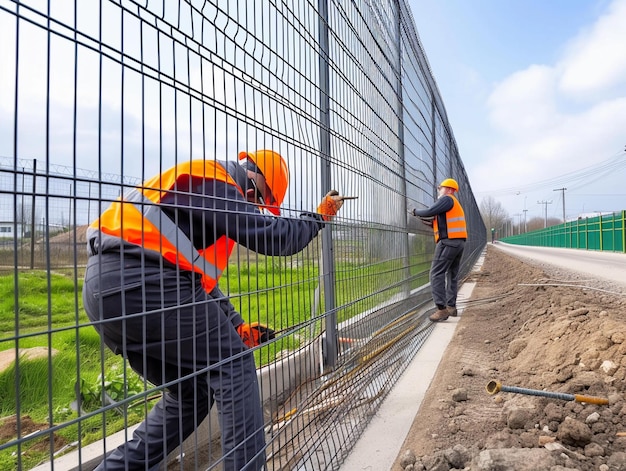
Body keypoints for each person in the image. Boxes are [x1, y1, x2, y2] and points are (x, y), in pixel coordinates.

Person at [82, 149, 347, 471]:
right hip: (142, 283)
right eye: (258, 200)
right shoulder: (213, 180)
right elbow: (274, 238)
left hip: (109, 292)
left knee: (190, 395)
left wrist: (236, 326)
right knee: (234, 365)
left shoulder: (196, 202)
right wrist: (318, 217)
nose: (254, 208)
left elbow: (199, 283)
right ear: (251, 178)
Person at [411, 178, 467, 322]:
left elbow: (430, 211)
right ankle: (451, 307)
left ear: (449, 189)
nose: (439, 190)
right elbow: (443, 222)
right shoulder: (452, 204)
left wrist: (416, 211)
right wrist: (431, 223)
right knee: (451, 275)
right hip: (458, 243)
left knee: (436, 273)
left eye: (440, 188)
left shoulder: (447, 199)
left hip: (448, 242)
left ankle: (441, 310)